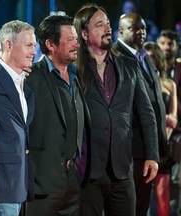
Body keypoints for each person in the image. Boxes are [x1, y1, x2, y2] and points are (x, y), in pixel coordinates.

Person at [74, 4, 159, 216]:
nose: (107, 29)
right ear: (84, 33)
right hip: (87, 171)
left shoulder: (129, 65)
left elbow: (147, 113)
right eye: (99, 25)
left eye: (108, 24)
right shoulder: (73, 69)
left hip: (122, 169)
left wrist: (152, 155)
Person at [25, 14, 91, 216]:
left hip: (72, 182)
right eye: (70, 40)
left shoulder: (75, 75)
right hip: (41, 186)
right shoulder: (30, 77)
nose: (77, 45)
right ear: (50, 44)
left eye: (76, 40)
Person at [0, 20, 36, 216]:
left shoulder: (25, 86)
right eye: (29, 45)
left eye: (34, 46)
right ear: (9, 45)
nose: (34, 51)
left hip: (21, 185)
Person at [113, 13, 168, 216]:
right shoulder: (115, 57)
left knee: (142, 207)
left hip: (148, 149)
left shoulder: (144, 56)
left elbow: (155, 104)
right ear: (121, 31)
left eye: (143, 28)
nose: (141, 32)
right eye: (135, 28)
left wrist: (157, 148)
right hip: (129, 151)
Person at [144, 41, 177, 216]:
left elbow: (174, 117)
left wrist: (164, 123)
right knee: (143, 195)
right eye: (145, 57)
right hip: (144, 144)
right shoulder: (139, 82)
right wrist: (162, 119)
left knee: (162, 192)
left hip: (164, 143)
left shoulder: (169, 84)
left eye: (151, 57)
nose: (148, 60)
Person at [157, 29, 181, 216]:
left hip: (178, 132)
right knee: (160, 187)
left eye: (169, 44)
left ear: (176, 46)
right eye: (163, 43)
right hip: (158, 134)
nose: (166, 48)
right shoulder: (149, 69)